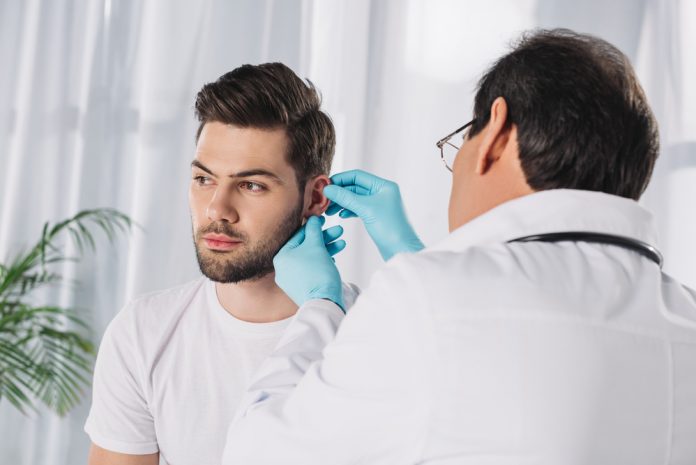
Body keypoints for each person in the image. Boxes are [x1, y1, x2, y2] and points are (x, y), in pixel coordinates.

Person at [223, 29, 696, 464]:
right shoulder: (685, 317)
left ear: (496, 131)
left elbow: (258, 454)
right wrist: (413, 259)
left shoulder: (426, 298)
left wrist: (319, 306)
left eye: (457, 145)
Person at [84, 63, 358, 465]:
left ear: (316, 197)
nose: (217, 209)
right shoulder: (144, 333)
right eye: (204, 179)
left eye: (251, 185)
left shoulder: (371, 332)